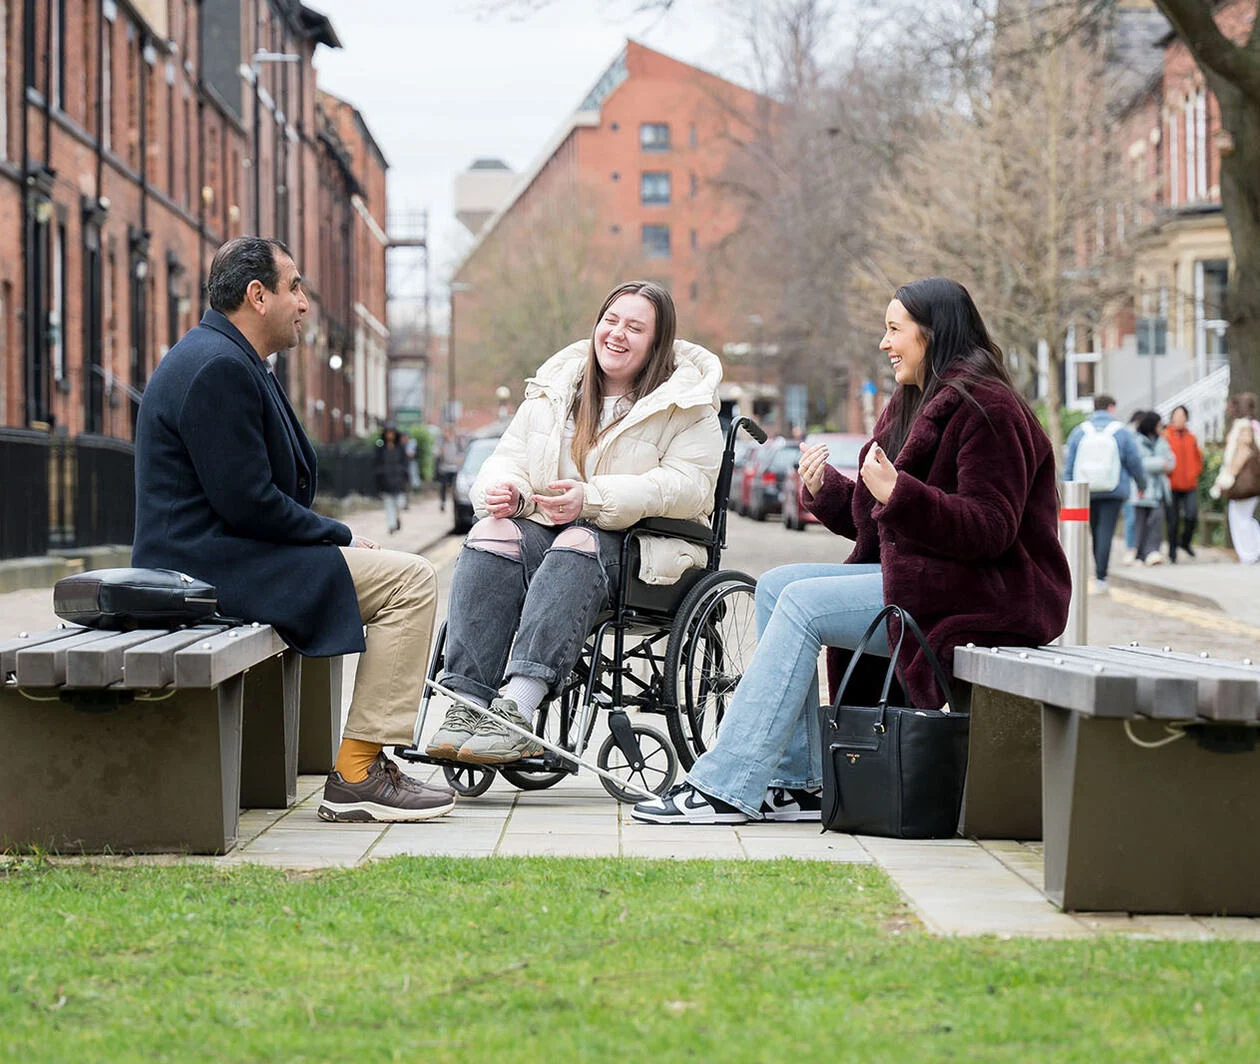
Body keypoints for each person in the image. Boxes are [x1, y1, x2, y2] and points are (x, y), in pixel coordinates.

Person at [633, 278, 1071, 824]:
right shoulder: (912, 403)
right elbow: (876, 522)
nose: (884, 343)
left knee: (803, 606)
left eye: (894, 330)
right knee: (776, 584)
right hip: (926, 578)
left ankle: (727, 784)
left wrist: (903, 495)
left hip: (990, 595)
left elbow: (991, 529)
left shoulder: (990, 409)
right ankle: (797, 782)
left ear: (933, 335)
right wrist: (828, 491)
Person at [132, 236, 453, 824]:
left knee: (403, 574)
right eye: (295, 286)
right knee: (412, 581)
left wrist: (329, 537)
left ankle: (360, 765)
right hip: (209, 566)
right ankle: (358, 773)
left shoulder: (230, 358)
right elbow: (248, 503)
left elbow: (258, 496)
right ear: (258, 296)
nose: (305, 301)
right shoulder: (217, 369)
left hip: (229, 555)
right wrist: (339, 535)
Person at [425, 280, 723, 765]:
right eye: (611, 320)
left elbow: (687, 486)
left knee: (580, 541)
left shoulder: (687, 405)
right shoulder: (556, 389)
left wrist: (594, 499)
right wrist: (506, 492)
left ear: (657, 344)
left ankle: (517, 709)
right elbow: (508, 458)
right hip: (555, 533)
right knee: (490, 534)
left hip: (642, 550)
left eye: (635, 327)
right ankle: (467, 706)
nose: (617, 334)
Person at [1063, 395, 1147, 593]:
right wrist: (1141, 484)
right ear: (1111, 407)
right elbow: (1134, 461)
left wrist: (1066, 490)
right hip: (1113, 489)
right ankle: (1101, 576)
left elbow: (1070, 464)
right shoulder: (1121, 432)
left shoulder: (1079, 432)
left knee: (1093, 530)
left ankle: (1093, 571)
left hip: (1085, 490)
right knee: (1106, 532)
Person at [1212, 392, 1260, 565]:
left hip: (1244, 481)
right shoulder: (1255, 425)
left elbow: (1243, 452)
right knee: (1245, 516)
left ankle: (1248, 553)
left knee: (1239, 517)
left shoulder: (1243, 426)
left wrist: (1229, 475)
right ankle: (1252, 550)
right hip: (1255, 480)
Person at [1131, 411, 1174, 565]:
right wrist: (1159, 463)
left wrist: (1156, 463)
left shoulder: (1162, 441)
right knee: (1141, 524)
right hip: (1142, 491)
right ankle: (1139, 554)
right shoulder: (1136, 441)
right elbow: (1139, 464)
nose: (1160, 427)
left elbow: (1171, 462)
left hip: (1159, 491)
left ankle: (1153, 552)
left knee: (1156, 522)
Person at [1164, 404, 1203, 562]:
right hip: (1172, 484)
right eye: (1176, 416)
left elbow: (1198, 458)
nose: (1179, 419)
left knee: (1191, 515)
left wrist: (1194, 472)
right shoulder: (1166, 436)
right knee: (1172, 520)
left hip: (1189, 485)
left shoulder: (1191, 437)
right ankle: (1172, 551)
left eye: (1182, 416)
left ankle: (1185, 542)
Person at [1120, 408, 1146, 565]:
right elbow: (1135, 463)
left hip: (1124, 485)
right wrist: (1141, 484)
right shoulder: (1130, 436)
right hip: (1131, 486)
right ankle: (1132, 549)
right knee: (1132, 518)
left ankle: (1132, 549)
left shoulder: (1122, 433)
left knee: (1131, 518)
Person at [374, 424, 410, 534]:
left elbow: (405, 463)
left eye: (392, 433)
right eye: (388, 433)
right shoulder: (380, 448)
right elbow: (376, 463)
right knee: (388, 503)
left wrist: (403, 474)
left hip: (398, 481)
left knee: (399, 504)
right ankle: (392, 525)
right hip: (386, 481)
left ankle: (397, 517)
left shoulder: (400, 448)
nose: (390, 435)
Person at [435, 426, 462, 512]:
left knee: (454, 487)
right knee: (443, 486)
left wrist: (459, 459)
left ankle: (454, 503)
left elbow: (461, 453)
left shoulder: (456, 442)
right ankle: (443, 502)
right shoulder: (441, 442)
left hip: (454, 468)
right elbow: (435, 454)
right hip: (444, 468)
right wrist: (440, 452)